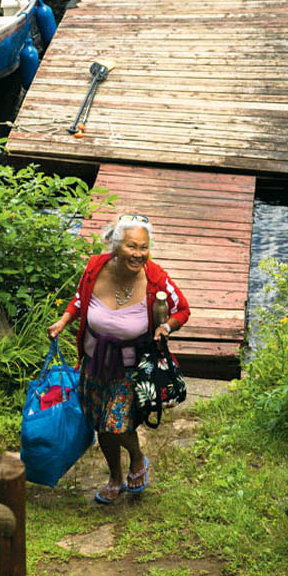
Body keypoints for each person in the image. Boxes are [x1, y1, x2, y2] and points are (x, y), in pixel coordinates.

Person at [47, 215, 190, 505]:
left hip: (131, 368)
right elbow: (79, 298)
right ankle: (114, 477)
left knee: (117, 424)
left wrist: (166, 327)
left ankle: (137, 458)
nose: (138, 254)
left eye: (144, 247)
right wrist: (64, 321)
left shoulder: (155, 278)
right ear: (115, 246)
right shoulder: (95, 267)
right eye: (131, 246)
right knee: (101, 425)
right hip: (95, 362)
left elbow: (182, 309)